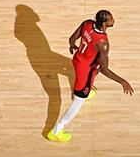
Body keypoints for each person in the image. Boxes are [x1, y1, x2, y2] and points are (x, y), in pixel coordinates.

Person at [46, 10, 134, 142]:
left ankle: (84, 88)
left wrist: (72, 46)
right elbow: (104, 69)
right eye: (111, 19)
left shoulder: (87, 23)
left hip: (77, 59)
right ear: (104, 24)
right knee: (78, 100)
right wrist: (122, 81)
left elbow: (71, 39)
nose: (113, 20)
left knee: (95, 67)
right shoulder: (103, 43)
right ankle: (57, 130)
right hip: (85, 69)